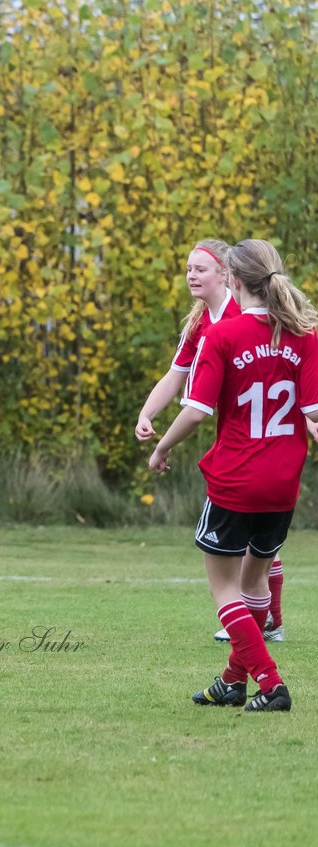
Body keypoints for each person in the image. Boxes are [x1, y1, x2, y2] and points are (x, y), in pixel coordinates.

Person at [148, 238, 318, 712]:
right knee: (255, 583)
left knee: (225, 589)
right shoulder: (305, 336)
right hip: (284, 484)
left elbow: (196, 410)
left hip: (235, 479)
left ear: (235, 281)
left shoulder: (223, 336)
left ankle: (270, 683)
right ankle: (231, 682)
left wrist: (161, 447)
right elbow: (314, 412)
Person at [135, 238, 288, 644]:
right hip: (251, 439)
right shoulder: (202, 320)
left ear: (227, 274)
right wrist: (147, 413)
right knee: (262, 539)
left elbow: (201, 406)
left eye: (200, 268)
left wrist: (163, 446)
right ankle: (267, 623)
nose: (191, 275)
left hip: (252, 441)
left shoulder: (244, 318)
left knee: (254, 545)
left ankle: (266, 622)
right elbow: (176, 375)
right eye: (188, 269)